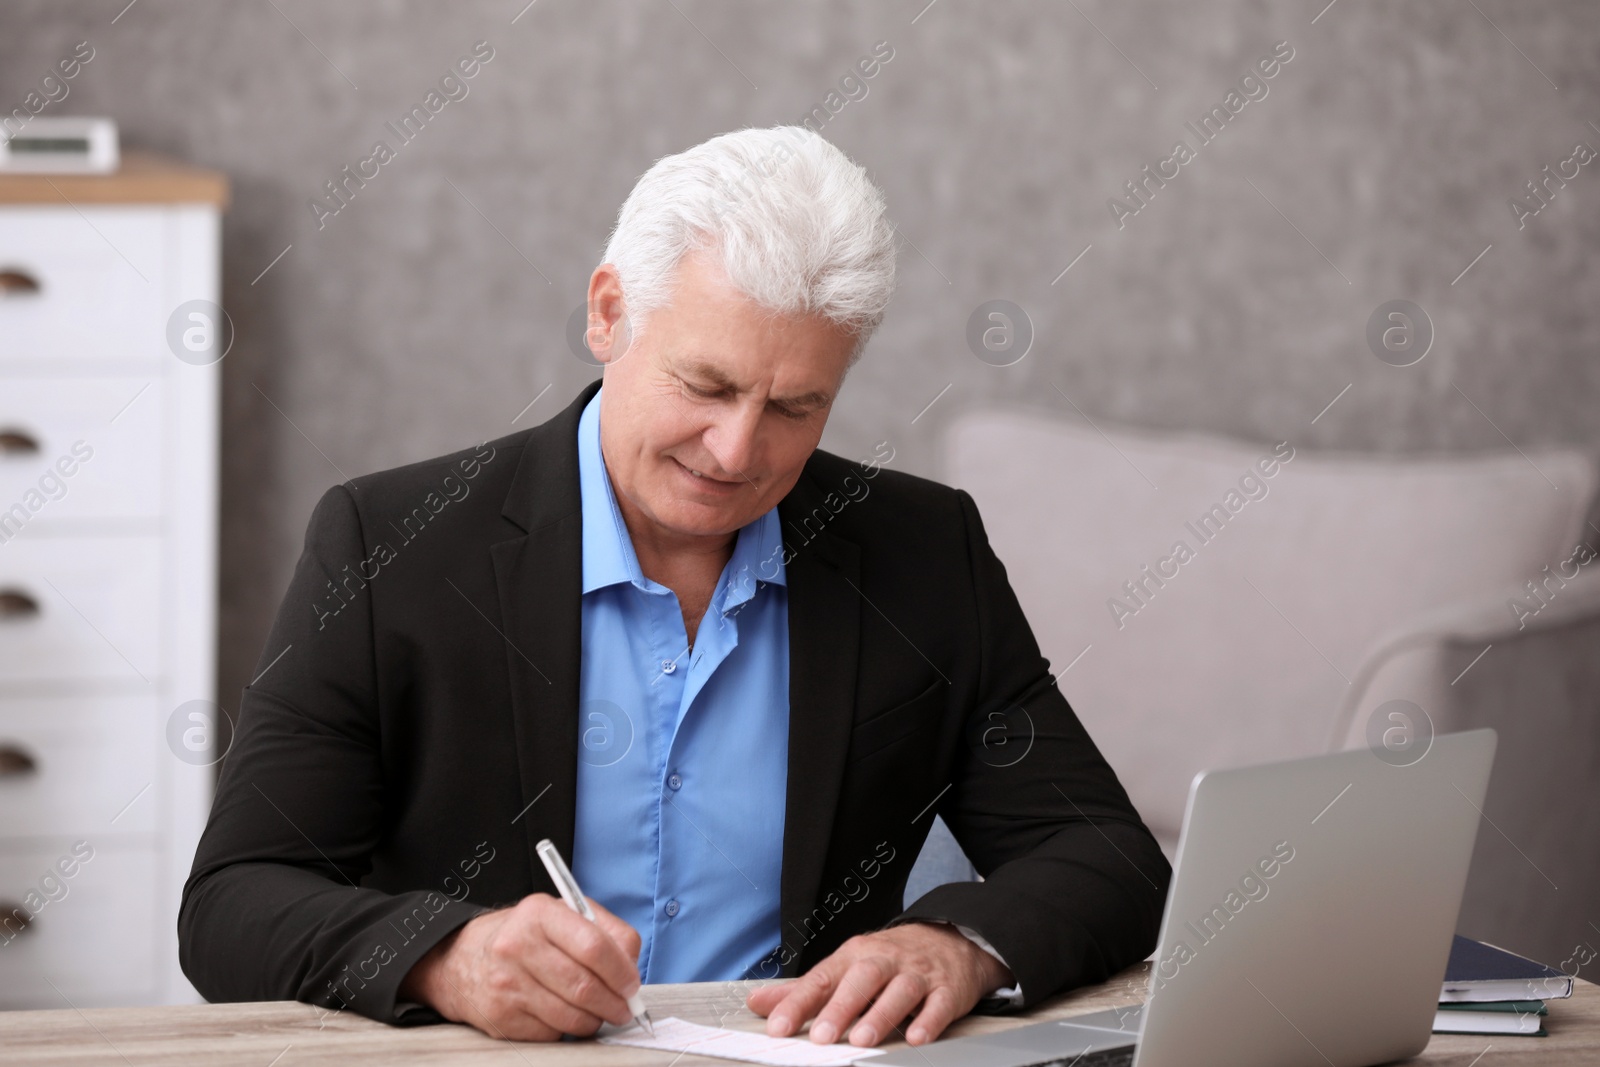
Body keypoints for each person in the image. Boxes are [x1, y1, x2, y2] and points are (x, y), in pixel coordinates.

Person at [179, 125, 1170, 1050]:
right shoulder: (393, 541)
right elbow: (232, 902)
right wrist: (447, 955)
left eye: (795, 405)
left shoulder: (920, 549)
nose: (738, 450)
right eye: (705, 384)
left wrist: (958, 943)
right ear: (608, 313)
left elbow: (1108, 857)